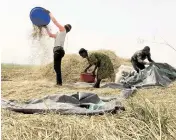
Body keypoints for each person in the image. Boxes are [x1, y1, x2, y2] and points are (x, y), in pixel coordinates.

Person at [43, 9, 72, 86]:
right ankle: (59, 83)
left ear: (65, 27)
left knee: (56, 67)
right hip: (58, 51)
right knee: (56, 67)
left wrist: (49, 13)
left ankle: (59, 83)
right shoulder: (59, 33)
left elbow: (55, 22)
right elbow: (50, 35)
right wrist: (45, 27)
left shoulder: (63, 30)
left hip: (58, 50)